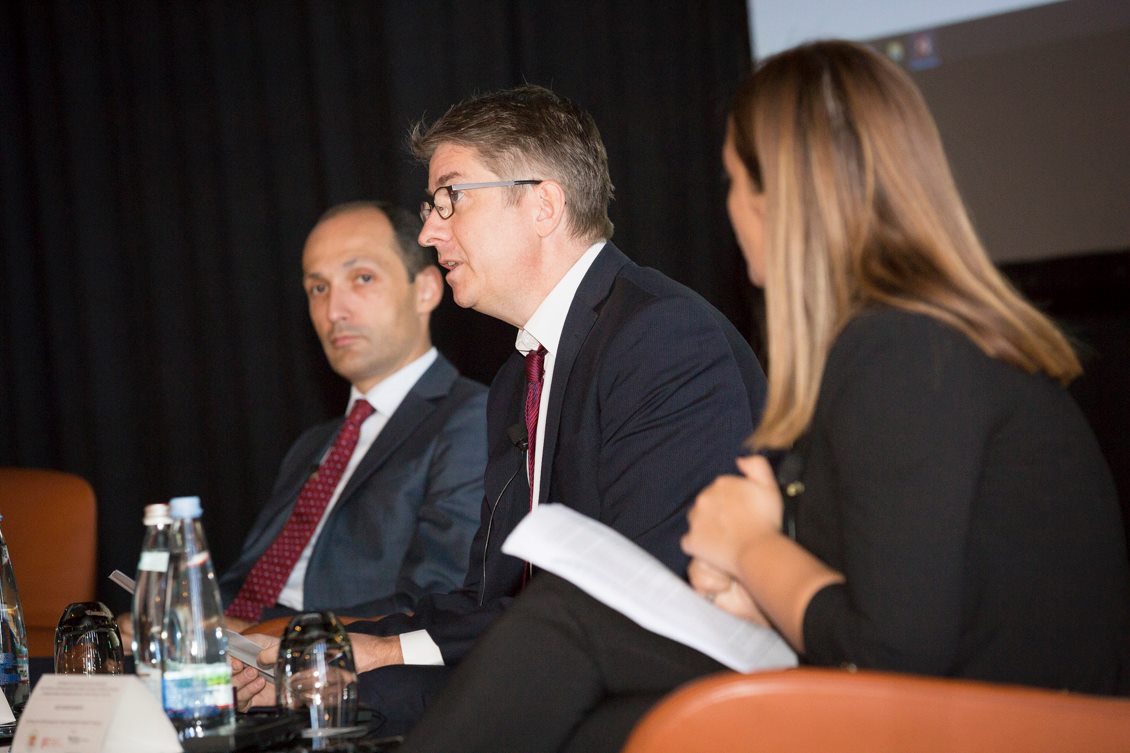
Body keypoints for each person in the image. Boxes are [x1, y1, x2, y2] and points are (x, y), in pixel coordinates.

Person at [394, 40, 1130, 753]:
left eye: (735, 183)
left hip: (1021, 728)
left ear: (783, 194)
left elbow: (892, 650)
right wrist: (751, 589)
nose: (732, 210)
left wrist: (752, 547)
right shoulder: (896, 346)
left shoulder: (904, 351)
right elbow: (877, 602)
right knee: (586, 699)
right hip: (950, 704)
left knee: (569, 632)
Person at [232, 85, 767, 733]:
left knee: (350, 704)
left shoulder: (660, 337)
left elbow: (646, 600)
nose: (429, 231)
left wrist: (384, 658)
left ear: (543, 205)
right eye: (431, 207)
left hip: (659, 697)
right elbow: (492, 597)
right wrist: (348, 643)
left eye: (451, 199)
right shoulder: (520, 375)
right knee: (317, 696)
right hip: (565, 662)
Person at [218, 201, 488, 625]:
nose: (334, 311)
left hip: (329, 655)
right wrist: (181, 619)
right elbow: (243, 585)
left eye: (362, 278)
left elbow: (437, 602)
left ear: (426, 290)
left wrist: (272, 635)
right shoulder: (313, 445)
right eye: (318, 288)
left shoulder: (471, 418)